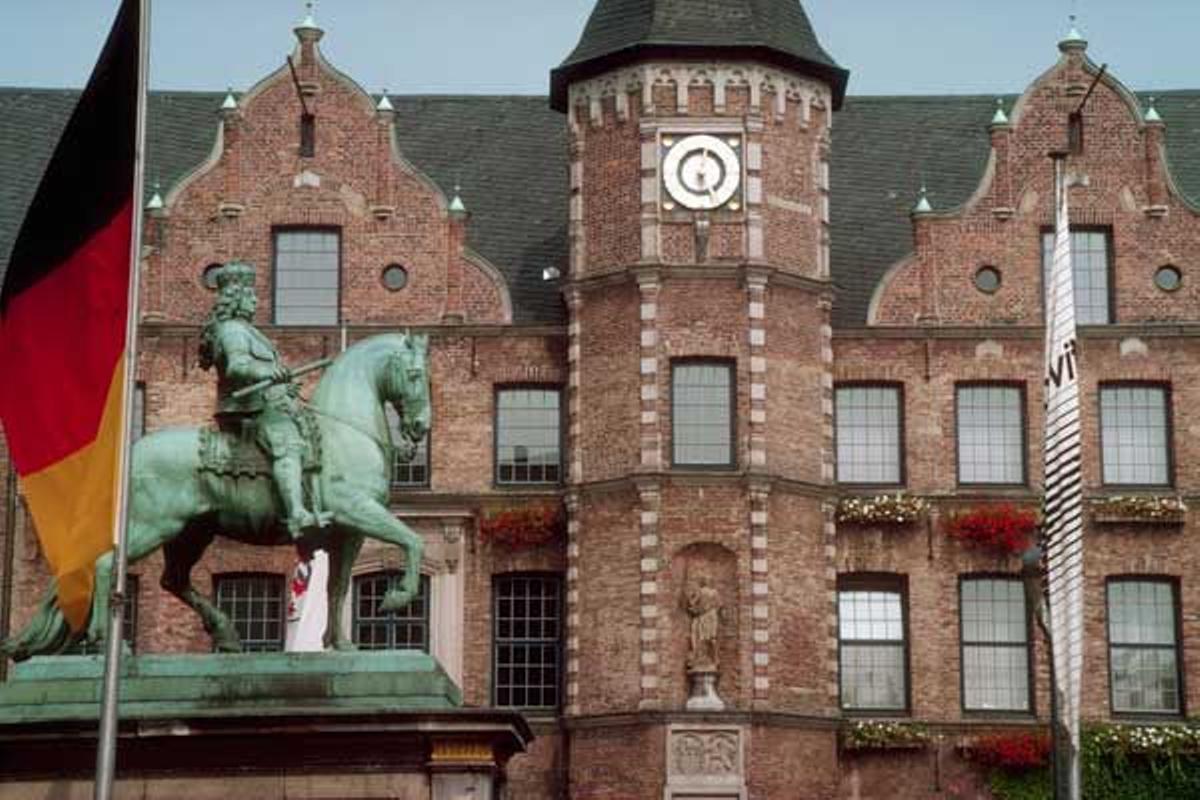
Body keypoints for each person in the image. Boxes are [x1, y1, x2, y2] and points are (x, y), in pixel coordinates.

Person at [199, 263, 321, 540]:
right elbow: (238, 366)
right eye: (250, 295)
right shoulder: (232, 331)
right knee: (288, 443)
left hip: (261, 403)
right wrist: (268, 372)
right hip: (246, 409)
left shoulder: (246, 329)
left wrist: (284, 386)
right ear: (237, 297)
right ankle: (297, 513)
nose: (255, 300)